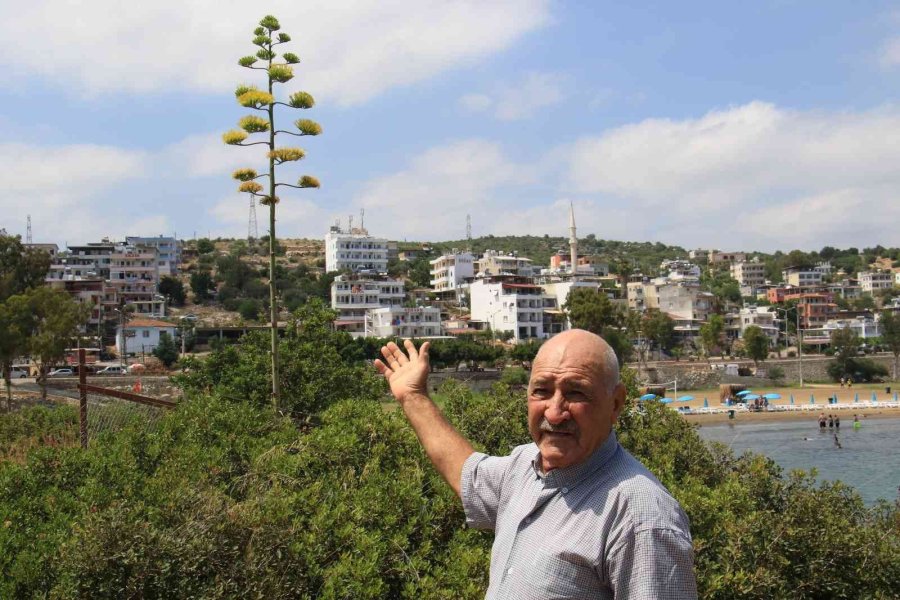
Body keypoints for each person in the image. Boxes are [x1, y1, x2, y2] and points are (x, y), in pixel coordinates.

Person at [374, 330, 697, 599]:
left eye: (576, 393)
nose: (555, 412)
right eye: (541, 391)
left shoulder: (641, 517)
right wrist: (413, 397)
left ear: (616, 403)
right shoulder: (524, 467)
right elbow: (467, 474)